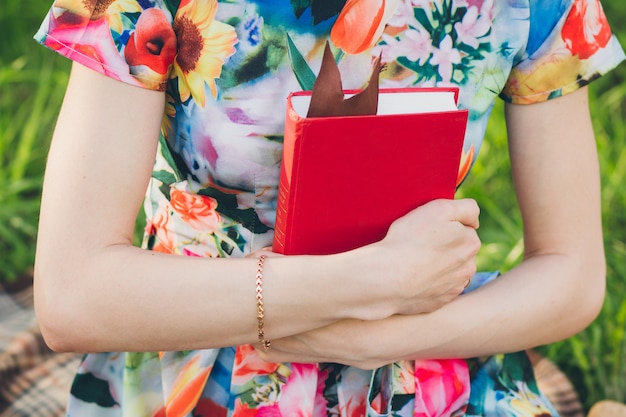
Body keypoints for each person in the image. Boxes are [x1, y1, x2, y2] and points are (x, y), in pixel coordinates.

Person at [33, 0, 624, 416]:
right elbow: (72, 294)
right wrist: (359, 285)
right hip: (200, 348)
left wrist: (390, 339)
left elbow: (572, 275)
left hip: (418, 357)